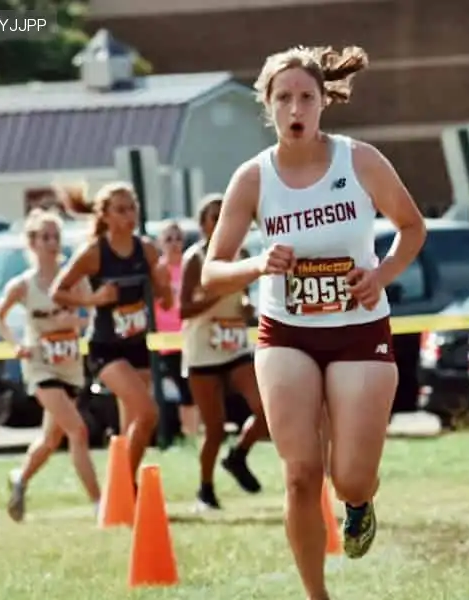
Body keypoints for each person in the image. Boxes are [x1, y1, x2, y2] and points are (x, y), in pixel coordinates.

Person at [200, 44, 426, 600]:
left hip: (359, 331)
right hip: (286, 334)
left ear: (324, 101)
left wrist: (382, 274)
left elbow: (411, 226)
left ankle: (359, 501)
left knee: (349, 476)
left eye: (306, 96)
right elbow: (211, 272)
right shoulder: (253, 178)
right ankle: (316, 595)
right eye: (283, 98)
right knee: (301, 473)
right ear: (268, 106)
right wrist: (258, 264)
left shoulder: (360, 161)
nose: (295, 108)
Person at [52, 182, 174, 487]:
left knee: (133, 427)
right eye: (121, 210)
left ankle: (121, 491)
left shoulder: (146, 249)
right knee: (148, 413)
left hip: (137, 344)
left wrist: (163, 283)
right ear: (105, 216)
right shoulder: (95, 253)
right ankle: (123, 485)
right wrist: (93, 300)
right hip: (106, 348)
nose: (129, 216)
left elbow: (166, 303)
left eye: (132, 208)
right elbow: (58, 292)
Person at [0, 209, 101, 521]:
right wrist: (15, 344)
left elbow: (91, 312)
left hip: (69, 364)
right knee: (78, 430)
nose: (53, 243)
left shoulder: (73, 280)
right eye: (45, 237)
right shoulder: (24, 285)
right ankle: (100, 503)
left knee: (52, 439)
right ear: (33, 243)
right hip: (41, 366)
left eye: (56, 237)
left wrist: (76, 321)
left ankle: (20, 478)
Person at [179, 195, 268, 510]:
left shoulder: (242, 255)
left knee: (267, 409)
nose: (219, 223)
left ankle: (238, 455)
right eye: (213, 217)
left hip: (235, 347)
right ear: (202, 224)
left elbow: (242, 298)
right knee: (214, 428)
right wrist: (216, 296)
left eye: (224, 215)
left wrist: (246, 308)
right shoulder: (195, 259)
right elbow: (183, 310)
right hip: (203, 351)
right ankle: (205, 489)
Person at [154, 222, 198, 445]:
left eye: (178, 239)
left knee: (191, 389)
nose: (174, 244)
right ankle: (171, 435)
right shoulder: (158, 271)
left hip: (189, 337)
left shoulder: (190, 268)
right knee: (175, 390)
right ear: (161, 243)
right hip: (164, 341)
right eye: (168, 239)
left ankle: (192, 436)